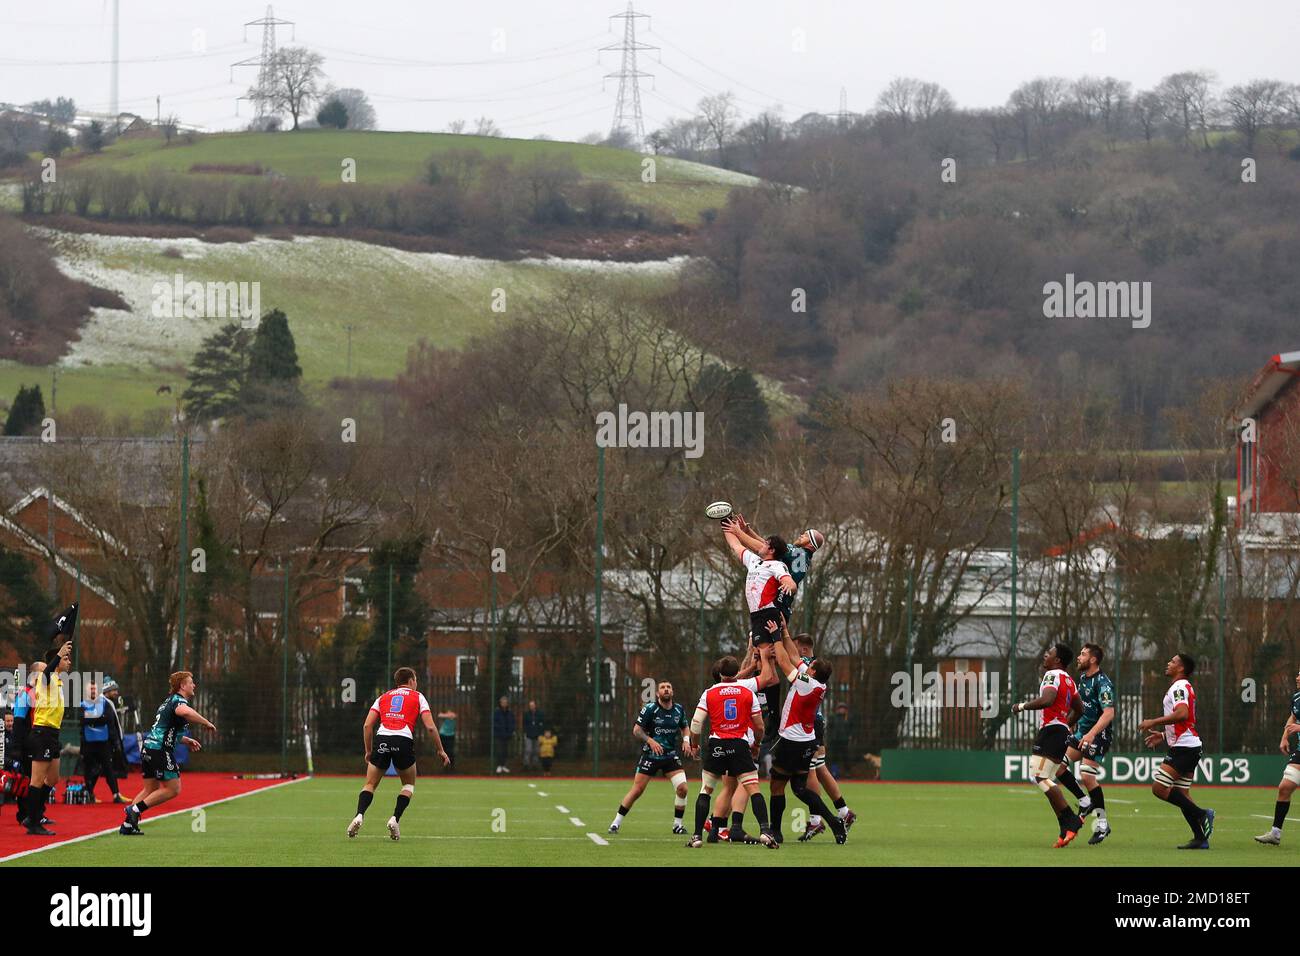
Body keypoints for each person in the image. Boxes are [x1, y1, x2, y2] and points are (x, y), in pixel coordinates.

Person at [684, 654, 778, 849]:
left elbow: (695, 724)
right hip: (739, 744)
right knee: (753, 789)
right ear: (737, 673)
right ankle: (765, 833)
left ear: (719, 673)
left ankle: (696, 836)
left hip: (717, 744)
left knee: (706, 790)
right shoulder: (747, 692)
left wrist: (694, 745)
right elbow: (760, 726)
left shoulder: (709, 693)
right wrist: (757, 744)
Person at [765, 618, 846, 844]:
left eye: (810, 664)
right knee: (799, 788)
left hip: (791, 741)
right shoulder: (818, 682)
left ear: (813, 671)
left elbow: (783, 659)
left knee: (777, 784)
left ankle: (776, 830)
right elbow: (794, 656)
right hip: (806, 741)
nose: (806, 663)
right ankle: (834, 821)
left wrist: (774, 636)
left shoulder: (806, 683)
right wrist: (785, 632)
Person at [347, 666, 450, 842]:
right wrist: (440, 750)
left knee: (370, 784)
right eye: (416, 680)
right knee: (408, 785)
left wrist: (369, 751)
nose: (416, 683)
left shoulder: (383, 697)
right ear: (411, 681)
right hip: (403, 741)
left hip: (382, 740)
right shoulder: (418, 697)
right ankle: (395, 819)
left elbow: (367, 726)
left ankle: (359, 815)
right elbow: (431, 727)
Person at [119, 671, 216, 835]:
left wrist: (185, 740)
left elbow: (166, 730)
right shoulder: (178, 701)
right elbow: (185, 712)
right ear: (182, 686)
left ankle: (128, 825)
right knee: (173, 789)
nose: (194, 685)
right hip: (159, 750)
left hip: (149, 747)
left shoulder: (167, 702)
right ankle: (134, 810)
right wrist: (206, 722)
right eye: (191, 682)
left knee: (150, 789)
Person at [1138, 653, 1214, 850]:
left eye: (1172, 661)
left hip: (1185, 748)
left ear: (1181, 668)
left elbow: (1182, 714)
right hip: (1188, 745)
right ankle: (1200, 837)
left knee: (1159, 788)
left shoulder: (1179, 687)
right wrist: (1163, 736)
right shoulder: (1182, 687)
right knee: (1181, 793)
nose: (1168, 663)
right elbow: (1185, 721)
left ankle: (1202, 814)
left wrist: (1153, 721)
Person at [1012, 644, 1085, 848]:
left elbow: (1048, 699)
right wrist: (1066, 724)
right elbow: (1080, 708)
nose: (1046, 655)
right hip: (1059, 731)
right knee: (1044, 778)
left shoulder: (1052, 674)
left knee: (1039, 777)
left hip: (1051, 731)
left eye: (1050, 653)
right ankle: (1065, 826)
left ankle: (1071, 818)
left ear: (1058, 660)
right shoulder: (1069, 680)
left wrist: (1022, 706)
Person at [790, 634, 857, 841]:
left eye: (795, 647)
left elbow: (789, 658)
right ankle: (844, 812)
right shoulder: (816, 666)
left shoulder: (810, 667)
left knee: (811, 770)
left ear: (802, 648)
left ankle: (816, 819)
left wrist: (780, 635)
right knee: (820, 768)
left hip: (808, 724)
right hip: (815, 722)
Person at [609, 680, 690, 835]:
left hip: (670, 756)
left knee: (683, 788)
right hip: (651, 756)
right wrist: (650, 741)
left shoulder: (679, 709)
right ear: (657, 693)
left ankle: (677, 825)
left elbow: (685, 727)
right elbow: (637, 730)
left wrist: (686, 740)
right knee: (637, 790)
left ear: (672, 692)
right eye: (663, 688)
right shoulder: (650, 709)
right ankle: (616, 823)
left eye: (669, 687)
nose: (666, 689)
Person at [1058, 643, 1115, 844]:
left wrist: (1091, 734)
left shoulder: (1103, 683)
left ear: (1093, 659)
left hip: (1098, 735)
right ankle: (1084, 801)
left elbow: (1109, 713)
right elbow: (1081, 708)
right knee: (1058, 767)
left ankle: (1102, 824)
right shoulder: (1083, 680)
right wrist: (1070, 725)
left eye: (1082, 654)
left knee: (1087, 775)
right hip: (1082, 732)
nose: (1079, 658)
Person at [22, 643, 72, 835]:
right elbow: (48, 670)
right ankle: (33, 821)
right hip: (42, 732)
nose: (69, 662)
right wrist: (59, 654)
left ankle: (33, 814)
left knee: (53, 778)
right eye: (66, 659)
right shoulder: (46, 677)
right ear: (57, 661)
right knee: (37, 780)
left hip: (53, 734)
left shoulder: (57, 680)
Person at [1255, 667, 1300, 845]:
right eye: (1297, 674)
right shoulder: (1297, 697)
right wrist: (1284, 737)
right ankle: (1275, 833)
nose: (1297, 677)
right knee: (1285, 787)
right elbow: (1293, 718)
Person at [80, 681, 124, 803]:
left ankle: (116, 795)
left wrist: (115, 742)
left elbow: (109, 720)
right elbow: (83, 720)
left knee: (109, 768)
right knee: (90, 769)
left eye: (95, 689)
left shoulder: (105, 703)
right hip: (88, 742)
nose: (93, 691)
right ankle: (89, 795)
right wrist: (98, 718)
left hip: (104, 743)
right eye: (91, 689)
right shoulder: (83, 704)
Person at [492, 696, 514, 774]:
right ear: (500, 703)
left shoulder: (510, 712)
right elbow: (495, 723)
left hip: (507, 735)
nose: (504, 704)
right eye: (503, 702)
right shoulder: (497, 712)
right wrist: (500, 730)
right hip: (499, 735)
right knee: (499, 751)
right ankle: (499, 766)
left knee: (505, 751)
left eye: (505, 702)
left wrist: (510, 732)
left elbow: (512, 723)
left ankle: (503, 765)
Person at [523, 700, 545, 772]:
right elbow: (524, 724)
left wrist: (540, 733)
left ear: (535, 705)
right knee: (528, 750)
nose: (531, 707)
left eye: (532, 705)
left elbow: (542, 724)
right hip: (529, 735)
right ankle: (526, 765)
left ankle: (535, 765)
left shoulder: (540, 714)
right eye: (530, 706)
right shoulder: (526, 714)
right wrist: (526, 732)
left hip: (537, 735)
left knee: (536, 751)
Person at [436, 708, 457, 772]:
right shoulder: (445, 716)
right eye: (448, 712)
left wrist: (449, 715)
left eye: (450, 712)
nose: (449, 714)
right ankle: (444, 766)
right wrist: (447, 715)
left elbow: (453, 716)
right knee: (443, 751)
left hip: (450, 736)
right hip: (442, 735)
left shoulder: (454, 716)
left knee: (450, 751)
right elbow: (439, 715)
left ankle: (451, 766)